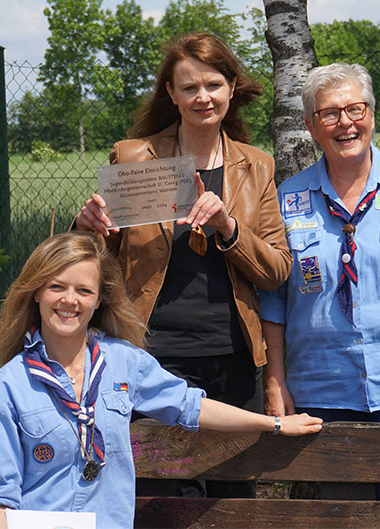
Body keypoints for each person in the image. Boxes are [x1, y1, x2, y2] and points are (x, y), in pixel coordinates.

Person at [0, 232, 322, 528]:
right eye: (56, 287)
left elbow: (190, 407)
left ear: (98, 300)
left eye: (83, 290)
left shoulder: (124, 362)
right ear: (36, 292)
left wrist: (274, 423)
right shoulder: (6, 390)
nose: (69, 300)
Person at [74, 33, 290, 497]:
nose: (202, 97)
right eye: (189, 87)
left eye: (213, 85)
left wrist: (228, 228)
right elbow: (96, 260)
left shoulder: (257, 166)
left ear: (231, 87)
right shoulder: (135, 156)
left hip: (235, 359)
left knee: (234, 498)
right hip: (154, 355)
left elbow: (276, 270)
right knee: (165, 497)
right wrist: (86, 227)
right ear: (171, 94)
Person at [258, 63, 380, 500]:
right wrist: (275, 382)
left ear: (371, 113)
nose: (345, 123)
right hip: (321, 394)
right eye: (330, 113)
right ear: (311, 126)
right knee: (334, 518)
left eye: (355, 109)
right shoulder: (288, 199)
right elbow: (272, 299)